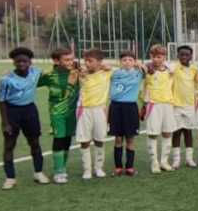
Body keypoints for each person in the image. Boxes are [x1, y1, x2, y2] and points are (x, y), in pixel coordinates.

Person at [0, 47, 49, 190]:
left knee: (34, 142)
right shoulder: (6, 79)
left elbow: (53, 71)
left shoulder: (36, 72)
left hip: (30, 110)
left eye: (24, 61)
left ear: (30, 62)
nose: (21, 64)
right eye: (18, 61)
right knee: (9, 145)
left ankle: (38, 173)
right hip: (12, 112)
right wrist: (5, 122)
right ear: (13, 62)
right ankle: (10, 178)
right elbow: (1, 100)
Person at [37, 48, 79, 184]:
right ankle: (58, 171)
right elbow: (31, 82)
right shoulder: (49, 76)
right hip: (57, 113)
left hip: (72, 113)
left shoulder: (77, 72)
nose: (70, 62)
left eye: (72, 59)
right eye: (66, 60)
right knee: (59, 139)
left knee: (67, 140)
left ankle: (63, 168)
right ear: (56, 60)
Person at [76, 48, 113, 180]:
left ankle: (98, 168)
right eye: (85, 60)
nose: (87, 63)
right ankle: (87, 169)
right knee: (84, 140)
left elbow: (121, 66)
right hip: (84, 109)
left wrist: (106, 66)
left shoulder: (107, 73)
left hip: (100, 110)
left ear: (99, 62)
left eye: (90, 61)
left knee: (99, 140)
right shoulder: (81, 73)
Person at [108, 51, 144, 177]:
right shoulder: (114, 73)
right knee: (118, 139)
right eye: (124, 60)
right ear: (120, 62)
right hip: (116, 107)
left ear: (134, 61)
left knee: (130, 138)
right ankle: (118, 167)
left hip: (130, 108)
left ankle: (129, 167)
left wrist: (141, 65)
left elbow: (153, 69)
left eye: (130, 60)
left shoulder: (139, 73)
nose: (127, 62)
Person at [143, 44, 177, 174]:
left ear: (164, 57)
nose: (157, 59)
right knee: (153, 133)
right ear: (150, 56)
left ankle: (164, 161)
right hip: (153, 105)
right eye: (154, 56)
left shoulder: (170, 69)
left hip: (168, 104)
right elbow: (138, 66)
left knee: (167, 132)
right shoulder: (147, 69)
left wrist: (167, 65)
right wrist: (146, 65)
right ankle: (154, 162)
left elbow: (173, 67)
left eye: (160, 56)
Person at [171, 45, 198, 169]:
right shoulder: (174, 68)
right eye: (181, 54)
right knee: (176, 132)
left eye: (186, 55)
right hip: (176, 105)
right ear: (177, 56)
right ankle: (176, 160)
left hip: (189, 105)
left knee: (188, 132)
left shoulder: (194, 69)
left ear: (191, 56)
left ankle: (189, 159)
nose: (184, 57)